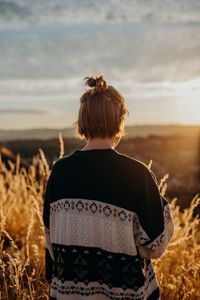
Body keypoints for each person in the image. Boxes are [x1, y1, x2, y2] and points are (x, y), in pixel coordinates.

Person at [43, 75, 174, 300]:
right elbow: (156, 246)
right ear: (120, 120)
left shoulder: (59, 172)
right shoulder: (137, 175)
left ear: (81, 121)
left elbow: (50, 239)